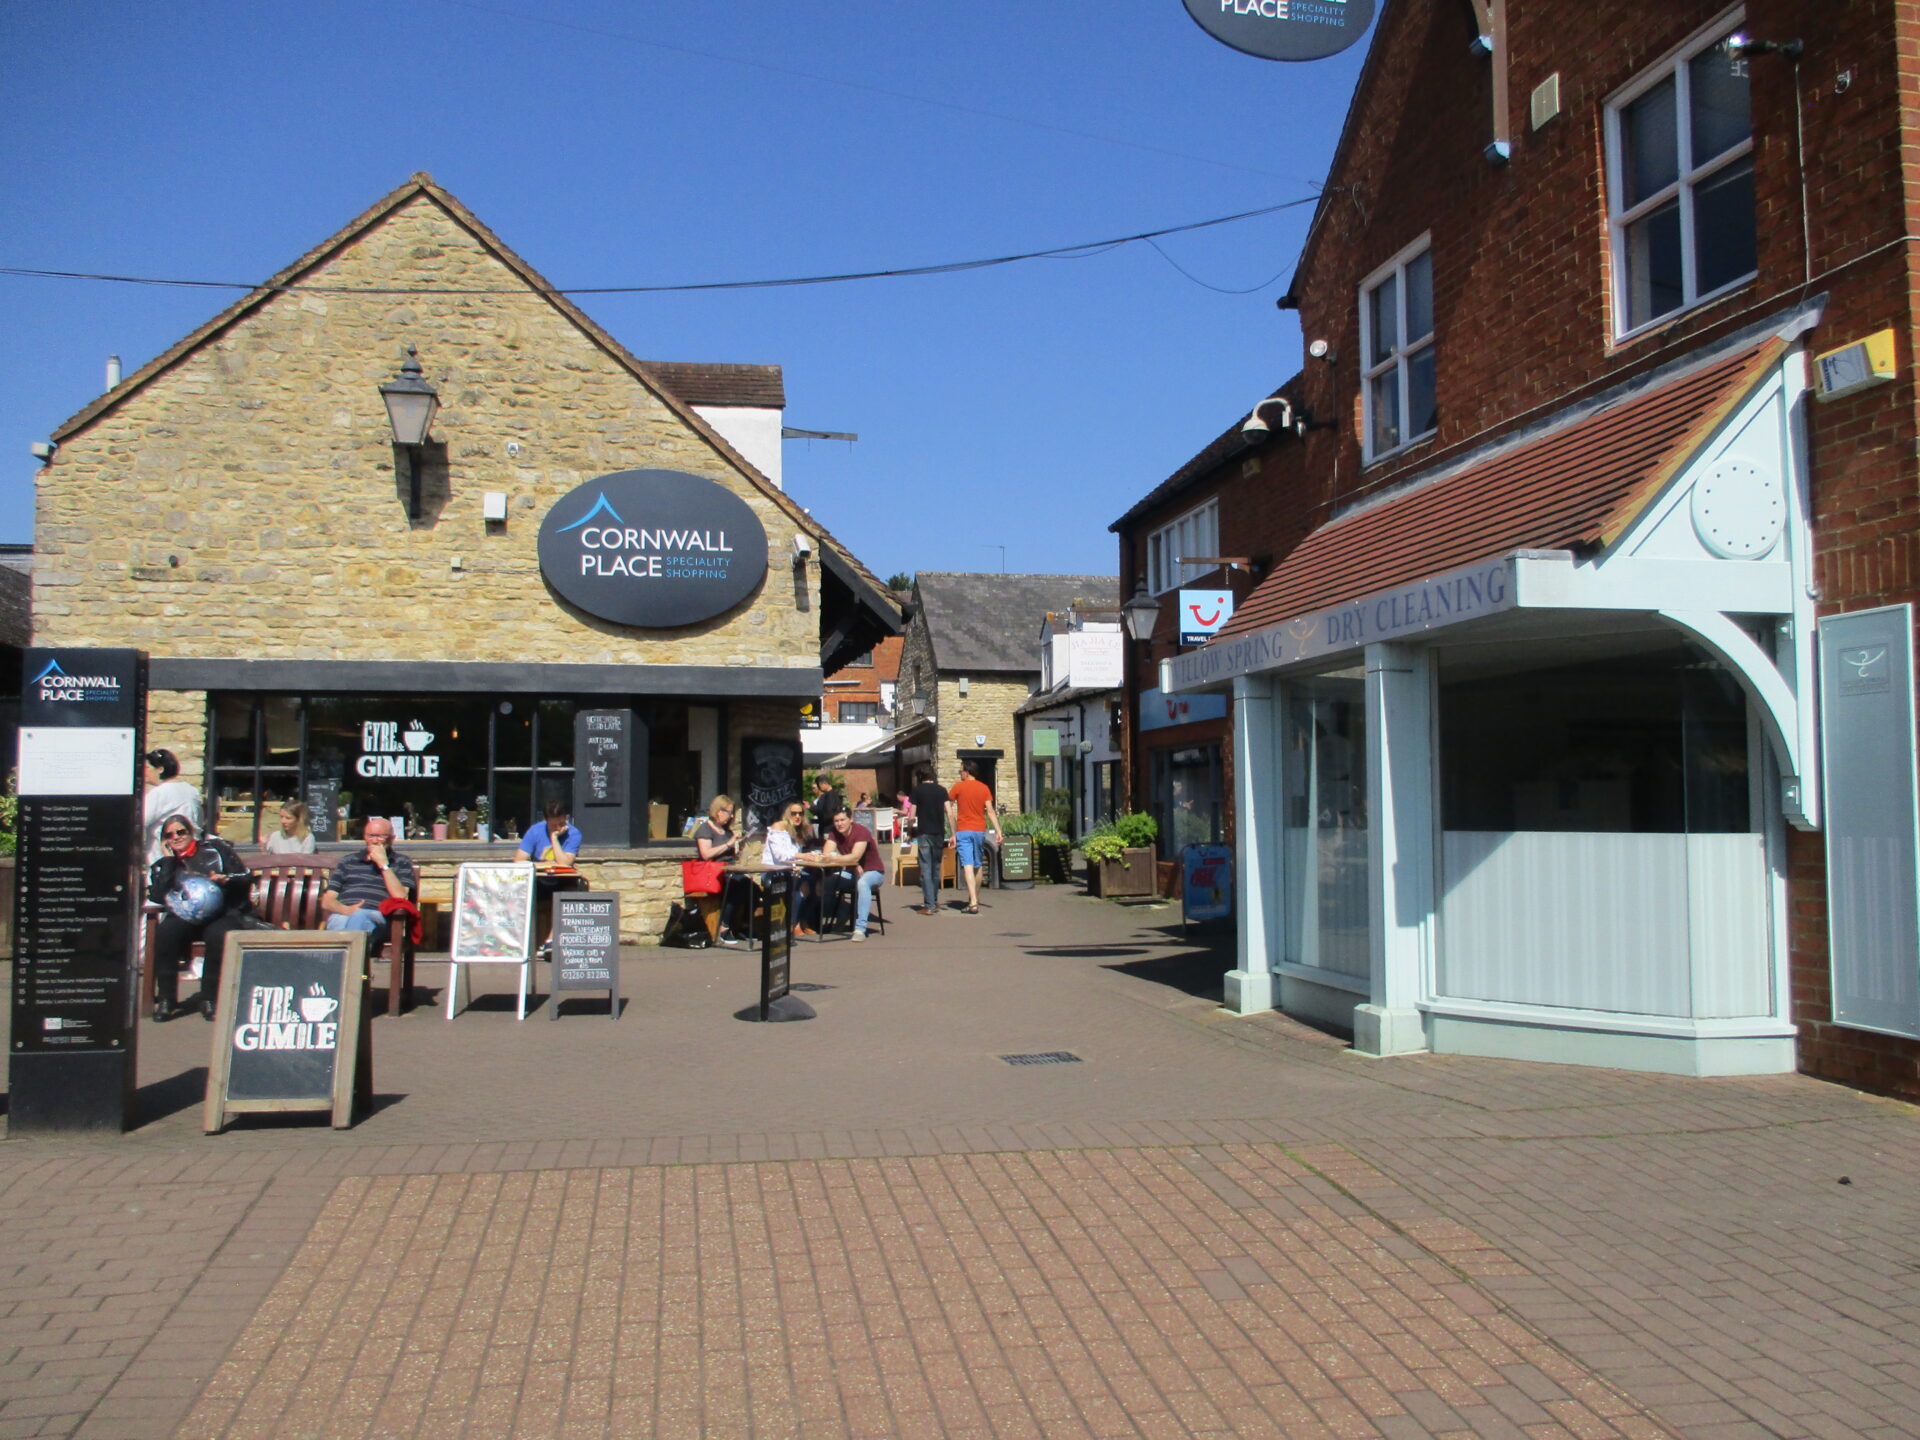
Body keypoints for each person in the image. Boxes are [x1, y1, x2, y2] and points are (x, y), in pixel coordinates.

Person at [147, 818, 254, 1021]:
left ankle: (209, 997)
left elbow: (246, 877)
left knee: (219, 936)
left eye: (180, 832)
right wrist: (169, 861)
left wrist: (227, 880)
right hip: (185, 916)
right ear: (165, 841)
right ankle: (167, 999)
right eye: (169, 835)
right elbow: (157, 896)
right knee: (166, 933)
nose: (176, 837)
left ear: (190, 832)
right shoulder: (164, 864)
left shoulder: (216, 850)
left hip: (221, 912)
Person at [320, 816, 417, 948]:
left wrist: (384, 865)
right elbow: (327, 901)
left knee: (360, 917)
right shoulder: (348, 861)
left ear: (392, 838)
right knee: (343, 921)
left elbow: (400, 896)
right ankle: (352, 965)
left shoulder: (401, 862)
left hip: (378, 916)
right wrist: (346, 910)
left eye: (381, 836)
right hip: (344, 913)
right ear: (364, 837)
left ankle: (342, 964)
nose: (375, 841)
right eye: (371, 836)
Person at [517, 801, 583, 954]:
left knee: (566, 896)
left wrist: (554, 838)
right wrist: (544, 865)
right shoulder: (535, 831)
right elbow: (519, 860)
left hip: (562, 880)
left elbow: (565, 864)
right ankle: (526, 943)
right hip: (539, 879)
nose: (558, 828)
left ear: (566, 818)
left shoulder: (573, 833)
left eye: (561, 823)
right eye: (553, 825)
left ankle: (550, 942)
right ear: (546, 821)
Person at [693, 794, 754, 945]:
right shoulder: (705, 829)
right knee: (738, 885)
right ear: (718, 811)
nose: (731, 816)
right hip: (713, 872)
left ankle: (743, 926)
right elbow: (706, 854)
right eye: (728, 811)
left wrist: (739, 848)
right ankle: (723, 927)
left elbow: (730, 855)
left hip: (729, 869)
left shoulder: (726, 831)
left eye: (732, 812)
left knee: (752, 887)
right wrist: (728, 844)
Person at [822, 805, 885, 941]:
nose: (839, 824)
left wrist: (843, 859)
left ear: (850, 820)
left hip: (873, 872)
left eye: (842, 820)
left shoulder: (861, 832)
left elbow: (855, 856)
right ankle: (838, 914)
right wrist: (849, 862)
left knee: (862, 883)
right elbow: (826, 853)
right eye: (836, 821)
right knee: (827, 881)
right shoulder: (834, 832)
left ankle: (860, 928)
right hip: (851, 873)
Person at [948, 760, 1001, 915]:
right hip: (979, 830)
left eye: (961, 771)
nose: (960, 774)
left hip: (963, 830)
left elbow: (948, 807)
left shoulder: (958, 787)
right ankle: (974, 899)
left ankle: (973, 902)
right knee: (977, 865)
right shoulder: (984, 788)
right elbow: (990, 811)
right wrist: (998, 830)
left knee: (968, 865)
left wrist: (952, 831)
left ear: (966, 771)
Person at [764, 799, 821, 937]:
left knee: (818, 884)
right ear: (787, 815)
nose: (797, 816)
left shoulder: (797, 831)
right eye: (793, 813)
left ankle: (804, 921)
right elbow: (780, 856)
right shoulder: (778, 828)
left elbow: (794, 858)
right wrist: (802, 856)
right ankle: (792, 925)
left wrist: (810, 857)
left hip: (790, 871)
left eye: (800, 813)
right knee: (801, 887)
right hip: (772, 872)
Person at [142, 749, 203, 864]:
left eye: (147, 768)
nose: (144, 773)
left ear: (160, 769)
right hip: (192, 855)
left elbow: (139, 821)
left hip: (165, 858)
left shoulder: (160, 793)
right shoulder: (191, 790)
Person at [907, 765, 950, 916]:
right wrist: (954, 834)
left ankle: (929, 905)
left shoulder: (917, 791)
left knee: (926, 867)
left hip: (924, 833)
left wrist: (909, 831)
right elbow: (950, 813)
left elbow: (911, 815)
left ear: (920, 777)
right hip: (938, 833)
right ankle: (934, 900)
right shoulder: (942, 790)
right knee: (936, 867)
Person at [808, 774, 840, 844]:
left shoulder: (830, 796)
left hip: (828, 829)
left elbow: (827, 814)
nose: (819, 788)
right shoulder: (829, 795)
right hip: (826, 828)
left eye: (819, 785)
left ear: (824, 784)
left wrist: (811, 809)